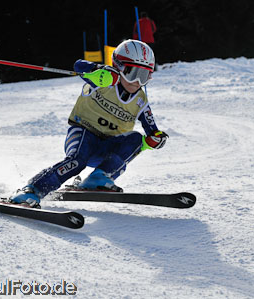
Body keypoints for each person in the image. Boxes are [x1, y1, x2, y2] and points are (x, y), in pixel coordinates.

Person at [9, 39, 169, 208]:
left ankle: (99, 177)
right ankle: (31, 190)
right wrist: (96, 69)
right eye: (132, 73)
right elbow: (78, 65)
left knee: (136, 139)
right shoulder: (102, 80)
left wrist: (156, 140)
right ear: (119, 66)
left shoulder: (140, 101)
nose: (137, 81)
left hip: (107, 147)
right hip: (83, 134)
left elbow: (153, 132)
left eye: (143, 76)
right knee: (77, 162)